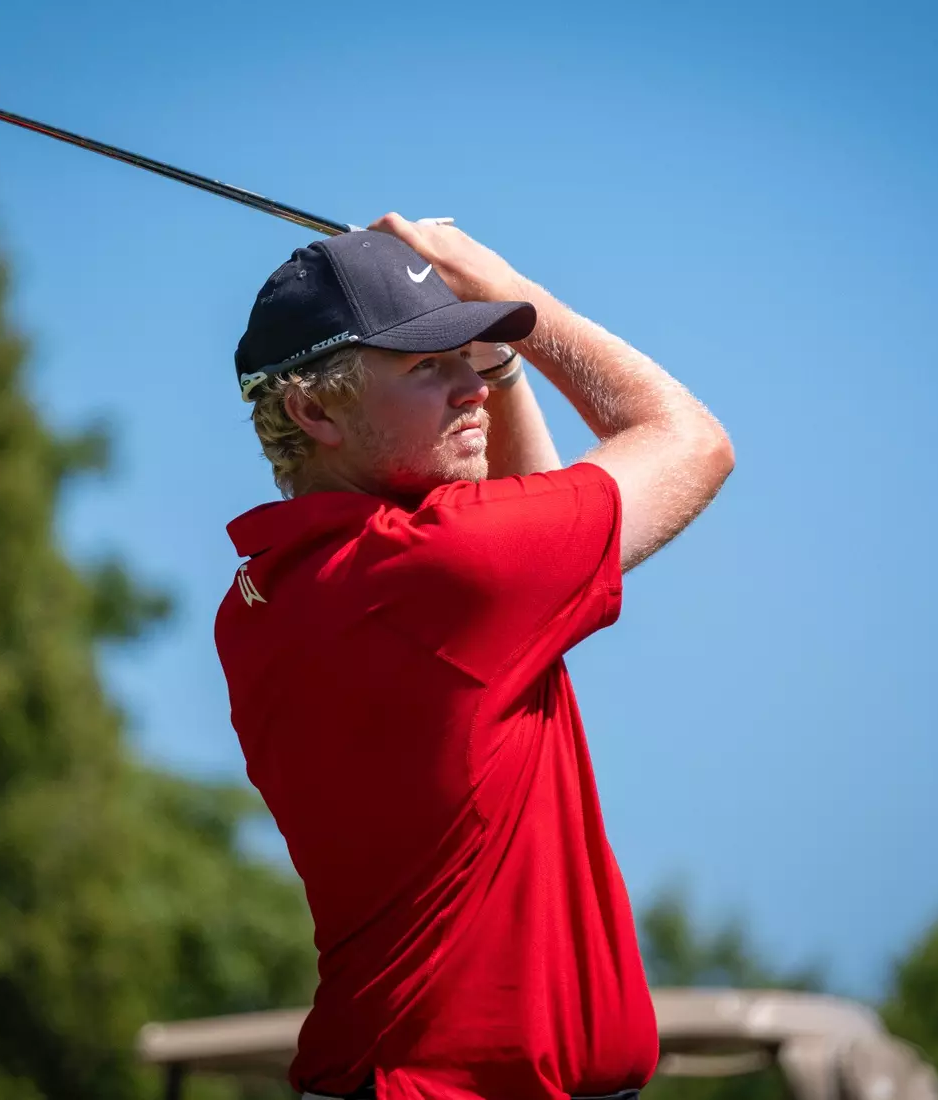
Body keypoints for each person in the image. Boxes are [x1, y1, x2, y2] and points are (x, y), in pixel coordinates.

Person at [214, 213, 734, 1100]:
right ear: (311, 409)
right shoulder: (442, 567)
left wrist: (487, 340)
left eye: (474, 360)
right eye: (427, 368)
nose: (475, 391)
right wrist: (511, 289)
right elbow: (693, 442)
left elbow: (521, 505)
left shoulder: (266, 596)